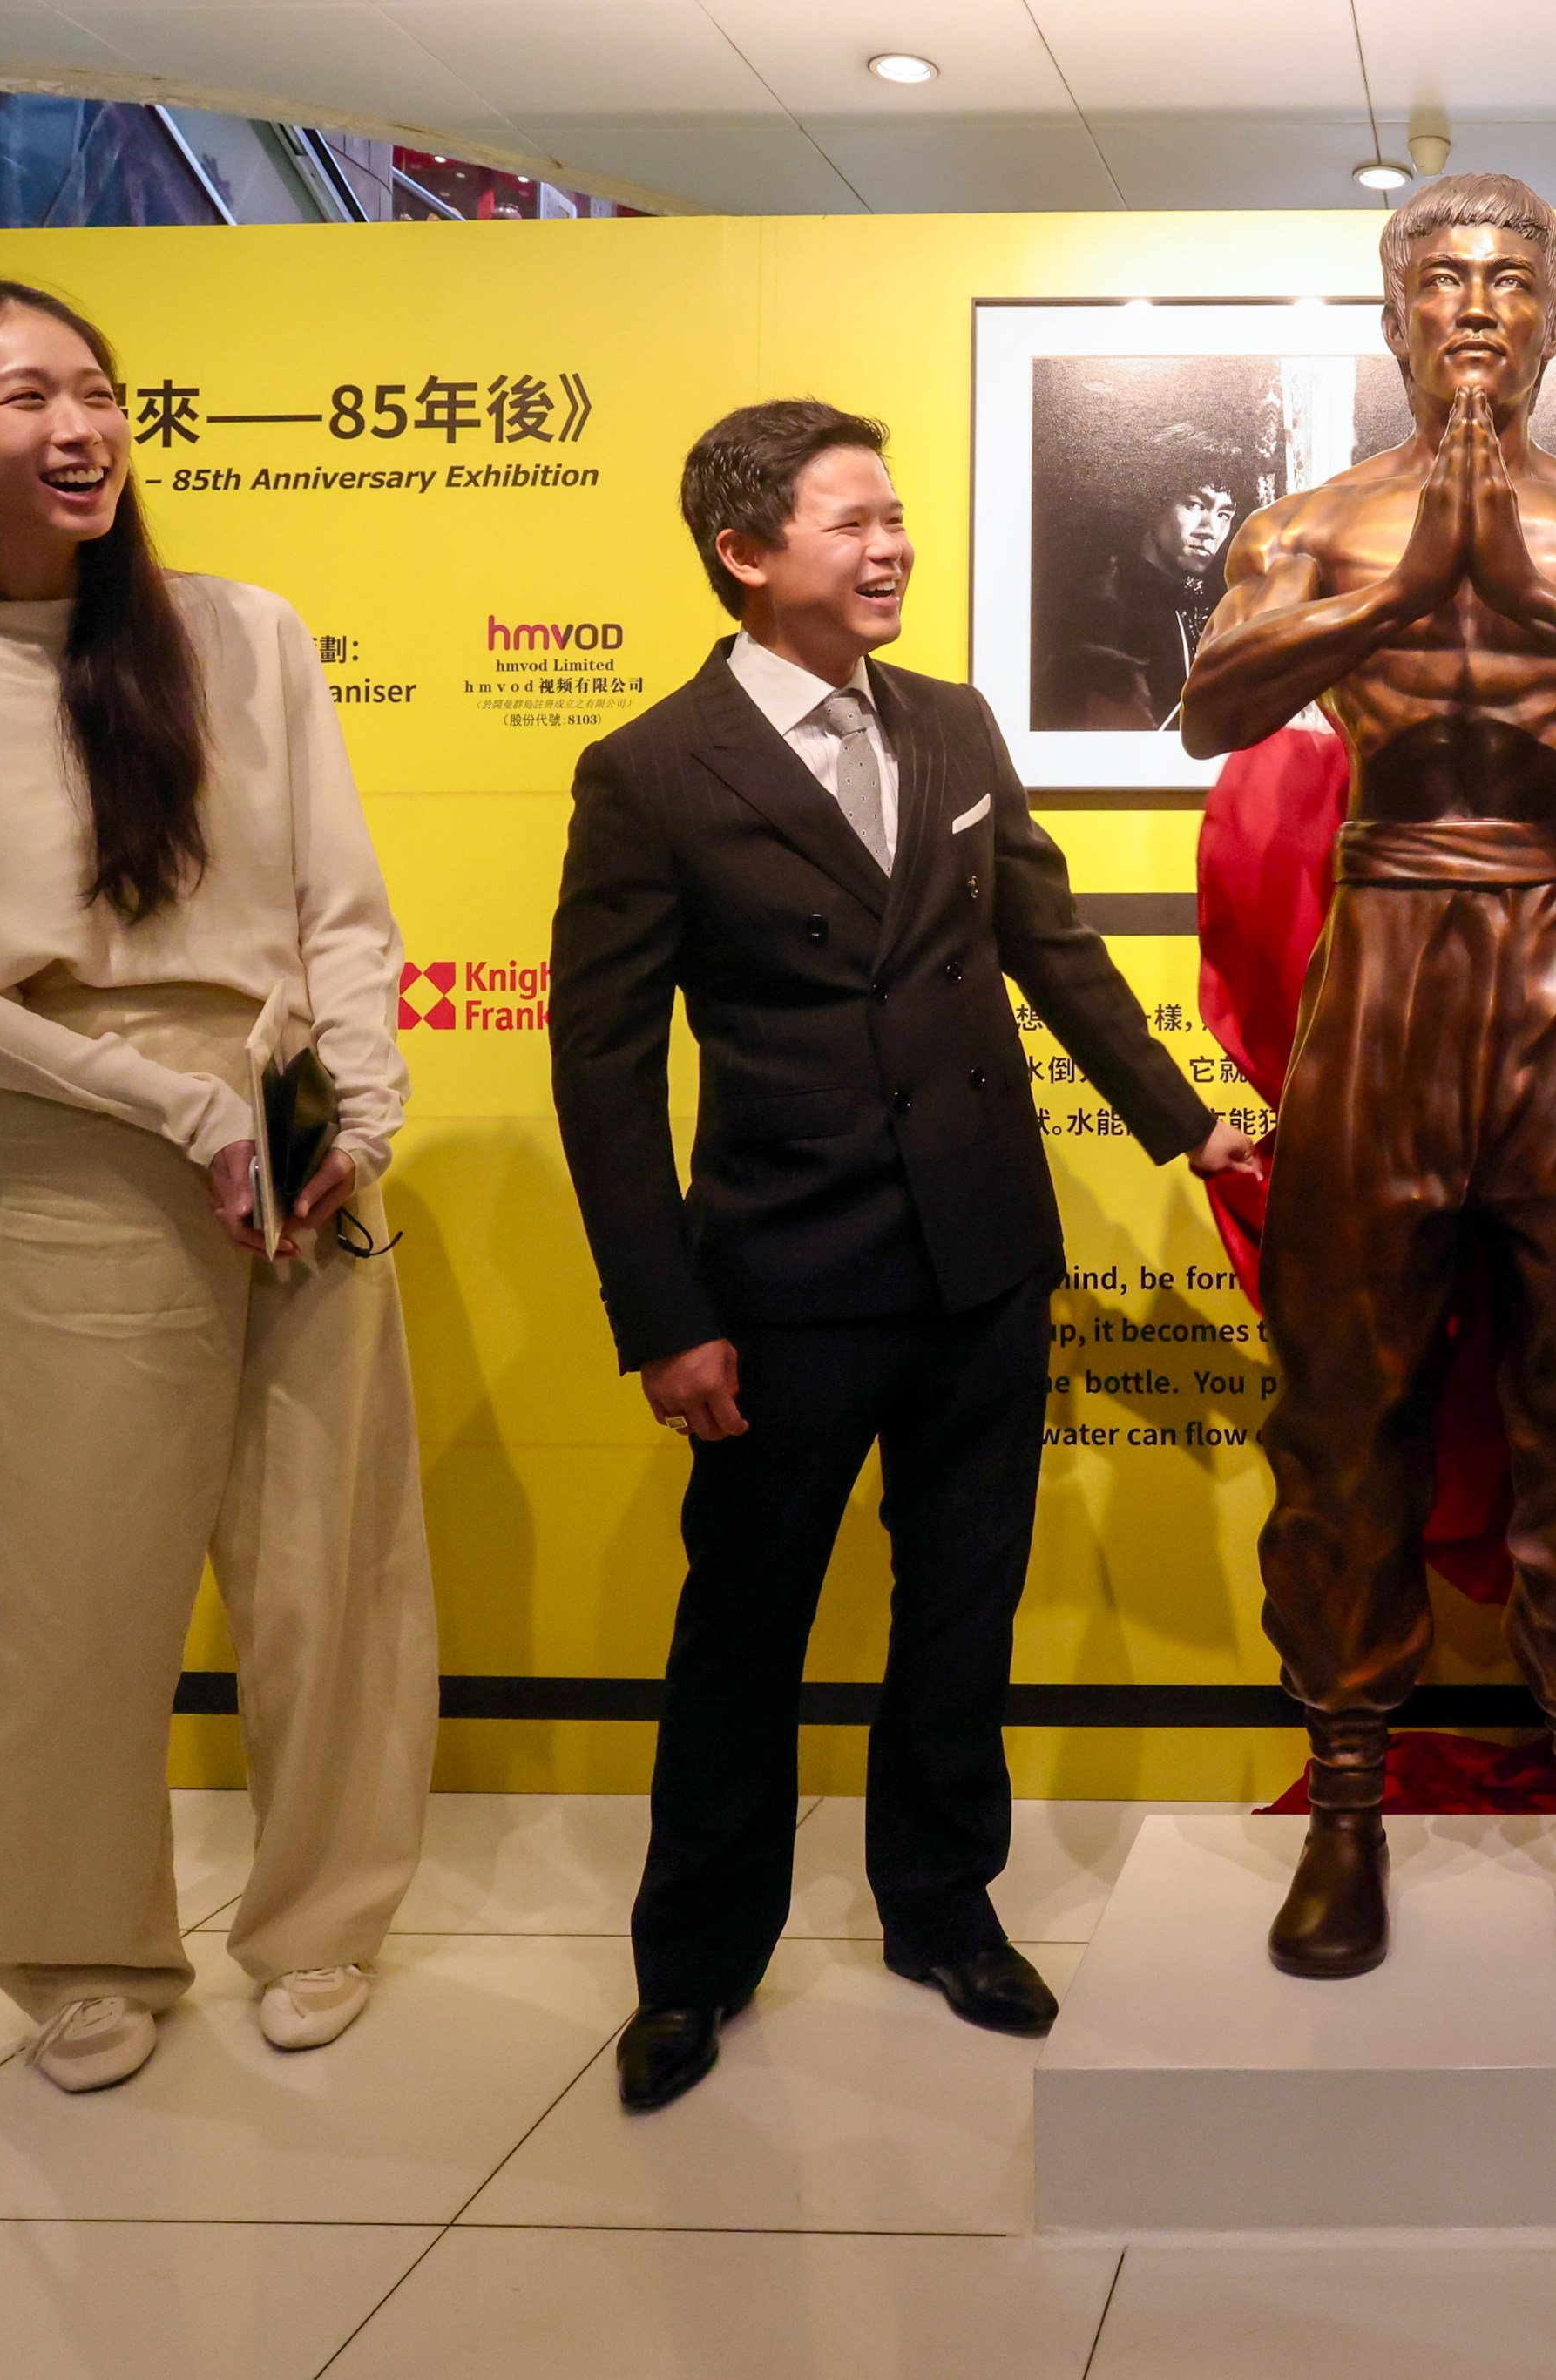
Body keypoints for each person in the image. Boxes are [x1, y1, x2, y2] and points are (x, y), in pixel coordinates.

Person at [0, 279, 436, 2094]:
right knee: (85, 1589)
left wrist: (344, 1115)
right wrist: (169, 1108)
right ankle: (82, 1948)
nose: (79, 427)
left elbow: (343, 912)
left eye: (99, 391)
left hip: (290, 1118)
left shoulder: (240, 631)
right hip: (76, 1130)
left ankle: (320, 1919)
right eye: (24, 397)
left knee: (332, 1564)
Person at [551, 400, 1257, 2113]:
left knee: (959, 1616)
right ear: (744, 551)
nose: (892, 548)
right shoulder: (650, 769)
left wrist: (1185, 1122)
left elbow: (1050, 942)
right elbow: (603, 1063)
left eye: (896, 518)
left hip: (981, 1259)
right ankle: (692, 1970)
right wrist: (666, 1315)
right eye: (851, 521)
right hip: (781, 1279)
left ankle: (945, 1912)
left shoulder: (947, 724)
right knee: (746, 1632)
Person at [1180, 172, 1556, 1981]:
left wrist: (1519, 579)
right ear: (1393, 314)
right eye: (1441, 276)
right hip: (1386, 954)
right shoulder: (1312, 524)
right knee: (1339, 1400)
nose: (1477, 304)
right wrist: (1412, 574)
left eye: (1511, 276)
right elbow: (1210, 707)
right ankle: (1344, 1800)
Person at [1039, 421, 1252, 731]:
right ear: (1154, 502)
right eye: (1195, 505)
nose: (1211, 531)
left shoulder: (1202, 602)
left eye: (1224, 515)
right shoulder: (1107, 604)